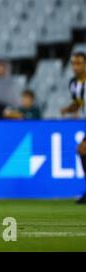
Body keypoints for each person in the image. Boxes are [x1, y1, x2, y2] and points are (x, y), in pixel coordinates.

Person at [60, 52, 86, 204]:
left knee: (82, 149)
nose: (75, 67)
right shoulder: (73, 84)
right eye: (73, 63)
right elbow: (78, 102)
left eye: (79, 63)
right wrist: (68, 109)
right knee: (82, 150)